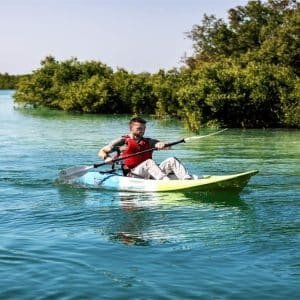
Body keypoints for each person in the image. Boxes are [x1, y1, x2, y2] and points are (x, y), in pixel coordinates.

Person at [98, 117, 193, 180]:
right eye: (139, 129)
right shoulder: (122, 141)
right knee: (149, 162)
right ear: (131, 128)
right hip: (133, 174)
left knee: (172, 160)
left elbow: (165, 146)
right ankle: (165, 181)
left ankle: (187, 179)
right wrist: (107, 158)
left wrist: (162, 145)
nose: (142, 131)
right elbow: (102, 151)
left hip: (149, 173)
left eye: (143, 128)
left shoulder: (149, 141)